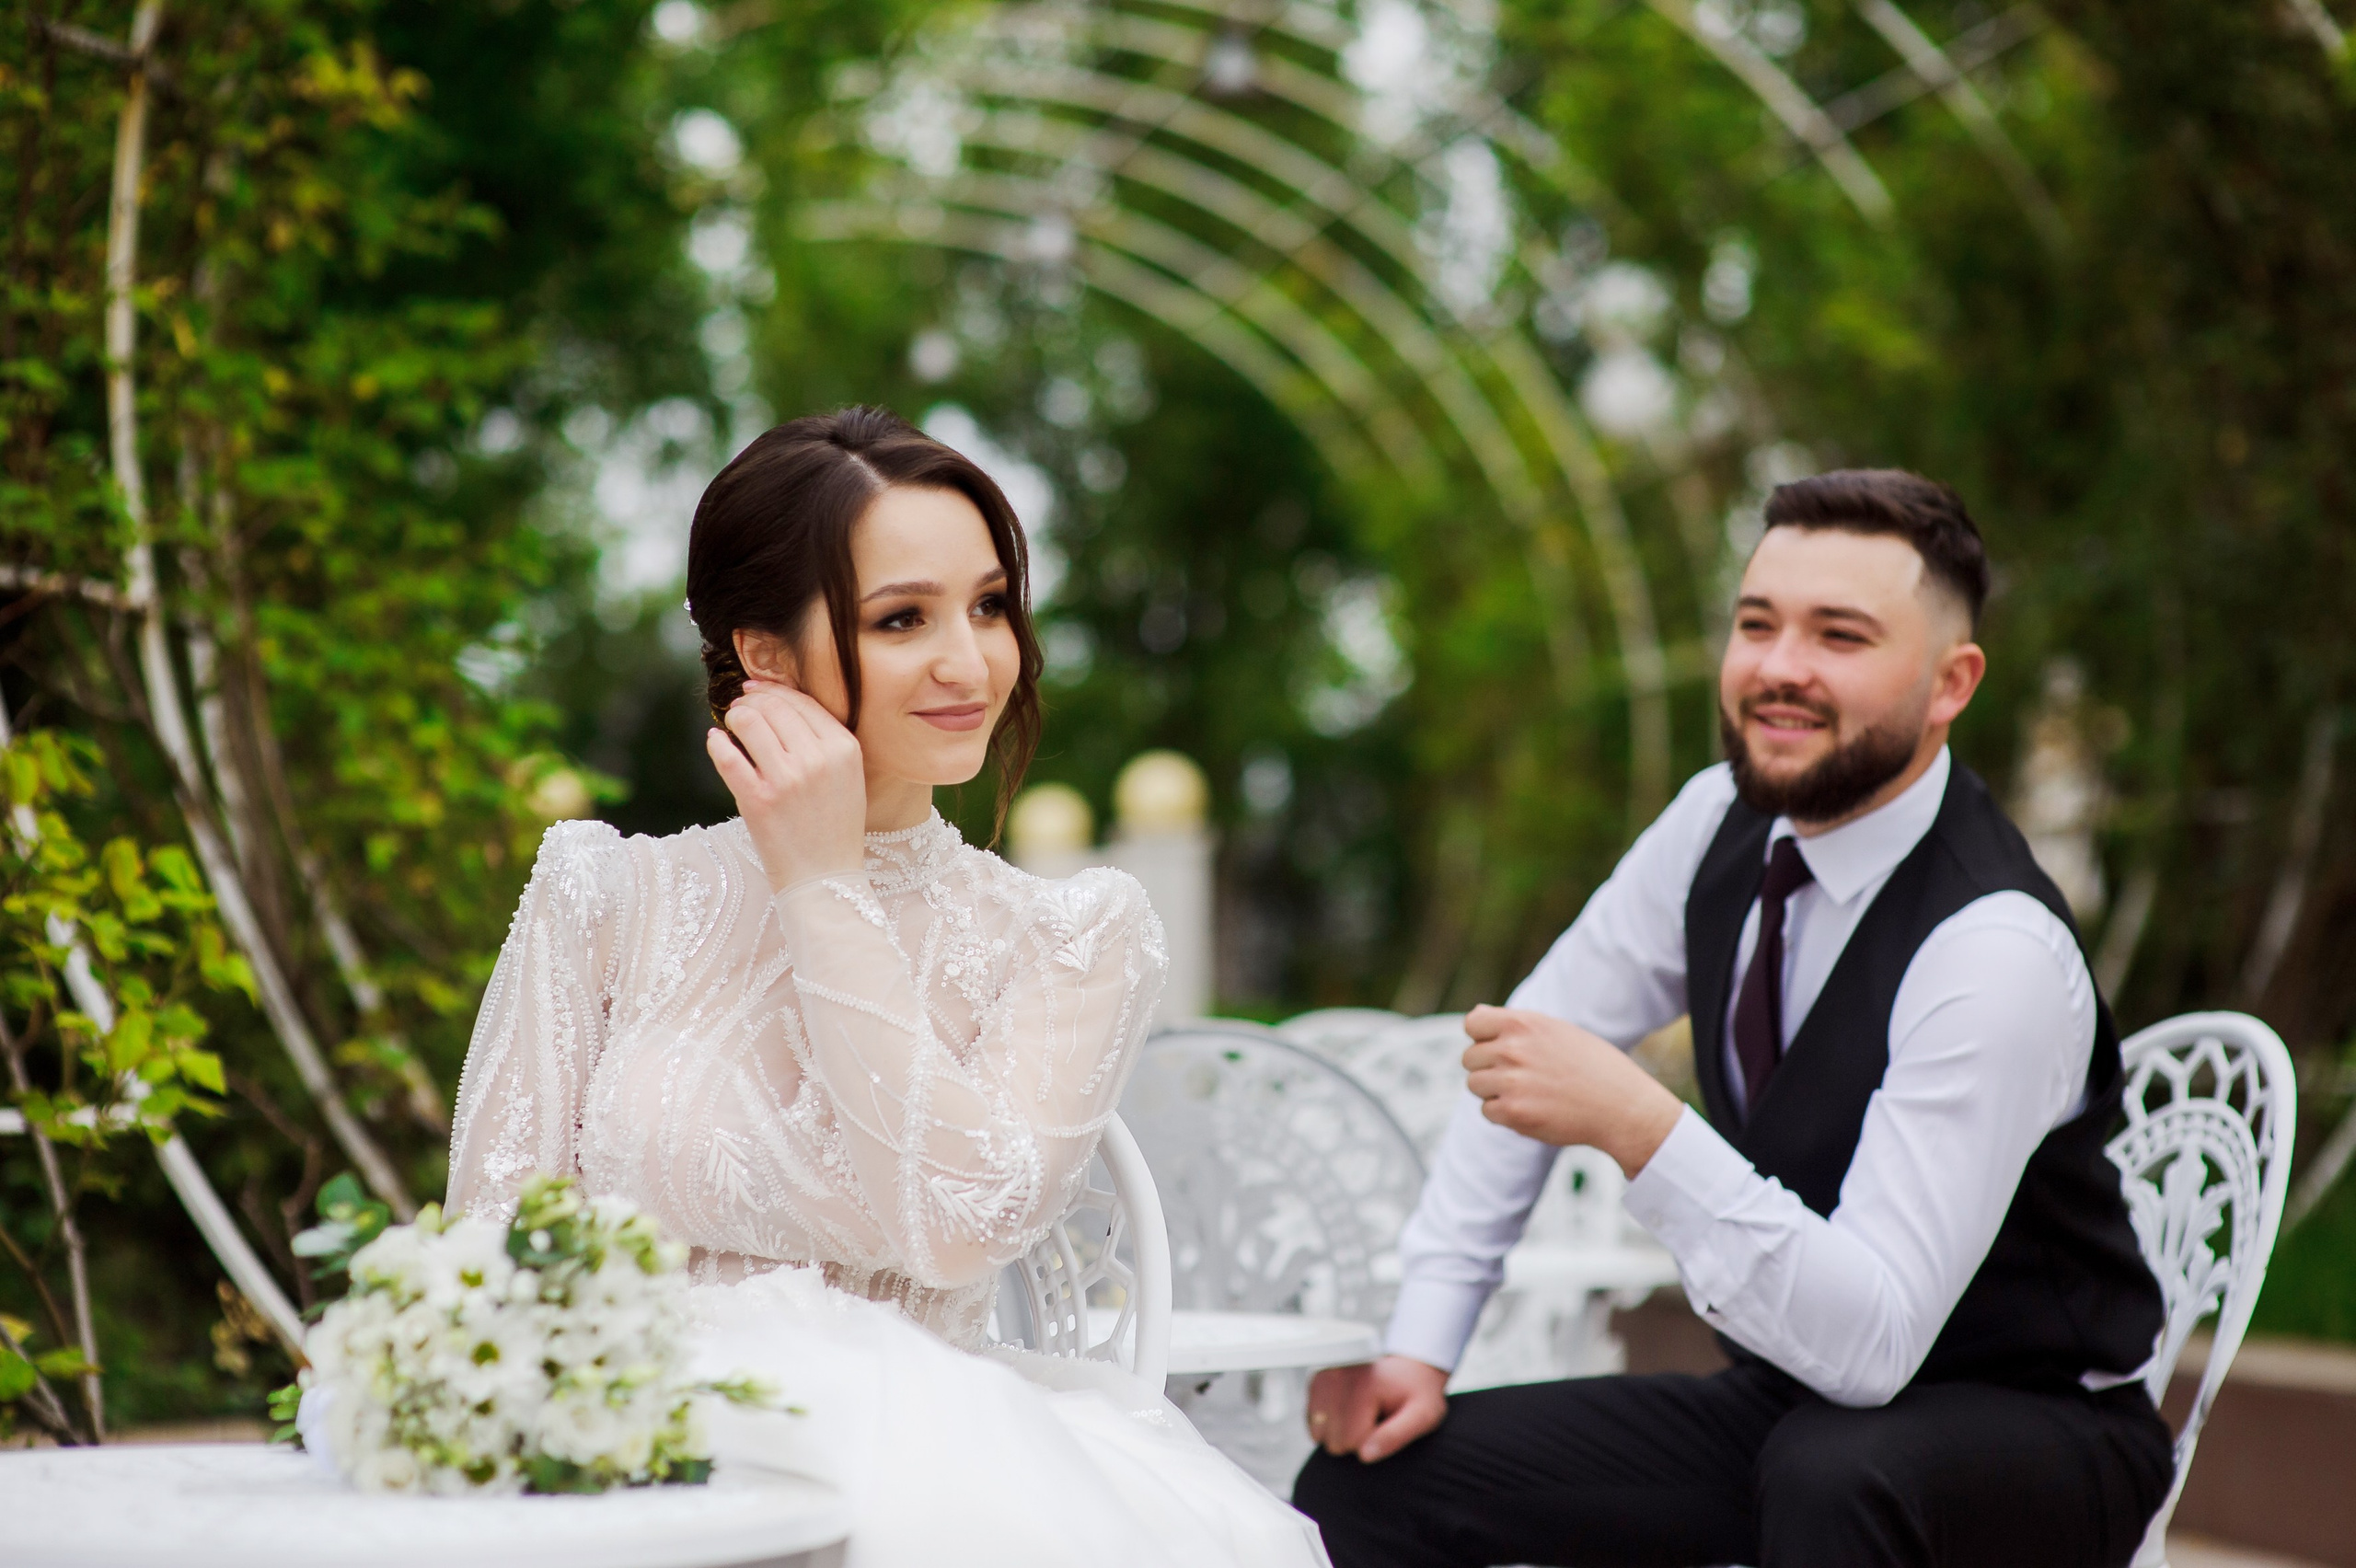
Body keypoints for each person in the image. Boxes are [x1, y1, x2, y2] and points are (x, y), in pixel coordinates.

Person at [447, 407, 1328, 1568]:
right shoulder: (605, 894)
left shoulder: (1074, 936)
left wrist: (821, 886)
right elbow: (485, 1249)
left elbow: (958, 1224)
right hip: (611, 1461)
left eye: (990, 605)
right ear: (764, 657)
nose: (971, 662)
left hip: (918, 1472)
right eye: (903, 618)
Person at [1294, 471, 2172, 1568]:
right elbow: (1524, 1049)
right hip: (1792, 1402)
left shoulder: (1991, 948)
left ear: (1951, 684)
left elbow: (1875, 1349)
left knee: (1832, 1479)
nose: (1778, 669)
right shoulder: (1717, 821)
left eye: (1839, 636)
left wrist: (1642, 1130)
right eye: (1757, 625)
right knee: (1370, 1485)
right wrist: (1421, 1345)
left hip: (2038, 1429)